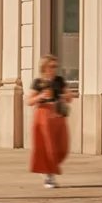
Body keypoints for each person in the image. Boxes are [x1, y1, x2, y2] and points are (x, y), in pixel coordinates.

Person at [27, 54, 69, 188]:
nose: (54, 69)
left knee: (62, 147)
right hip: (43, 114)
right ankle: (49, 176)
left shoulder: (59, 80)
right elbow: (29, 101)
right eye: (52, 66)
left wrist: (66, 96)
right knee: (48, 147)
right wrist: (40, 96)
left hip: (58, 115)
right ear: (44, 67)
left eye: (56, 66)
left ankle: (48, 169)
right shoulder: (38, 82)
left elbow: (69, 97)